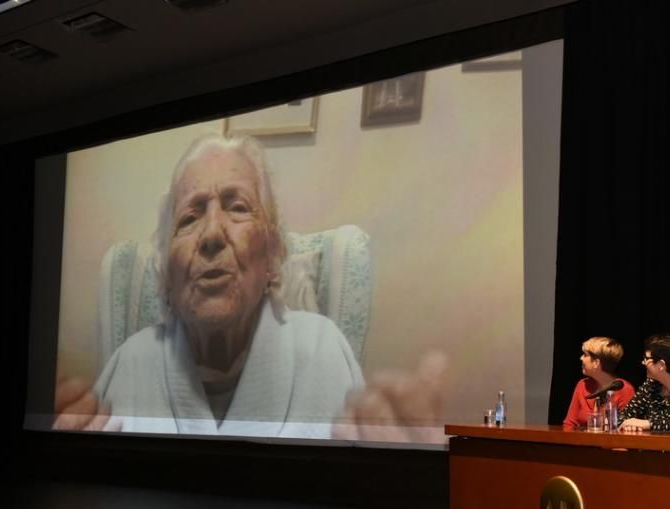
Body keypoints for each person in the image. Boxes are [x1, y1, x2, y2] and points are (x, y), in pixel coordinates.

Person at [54, 134, 444, 440]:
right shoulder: (130, 362)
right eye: (189, 217)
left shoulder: (324, 349)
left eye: (237, 207)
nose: (211, 234)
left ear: (273, 257)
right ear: (167, 279)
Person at [562, 337, 635, 429]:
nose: (581, 358)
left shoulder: (624, 389)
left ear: (596, 363)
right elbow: (569, 424)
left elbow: (627, 428)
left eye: (585, 355)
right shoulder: (582, 385)